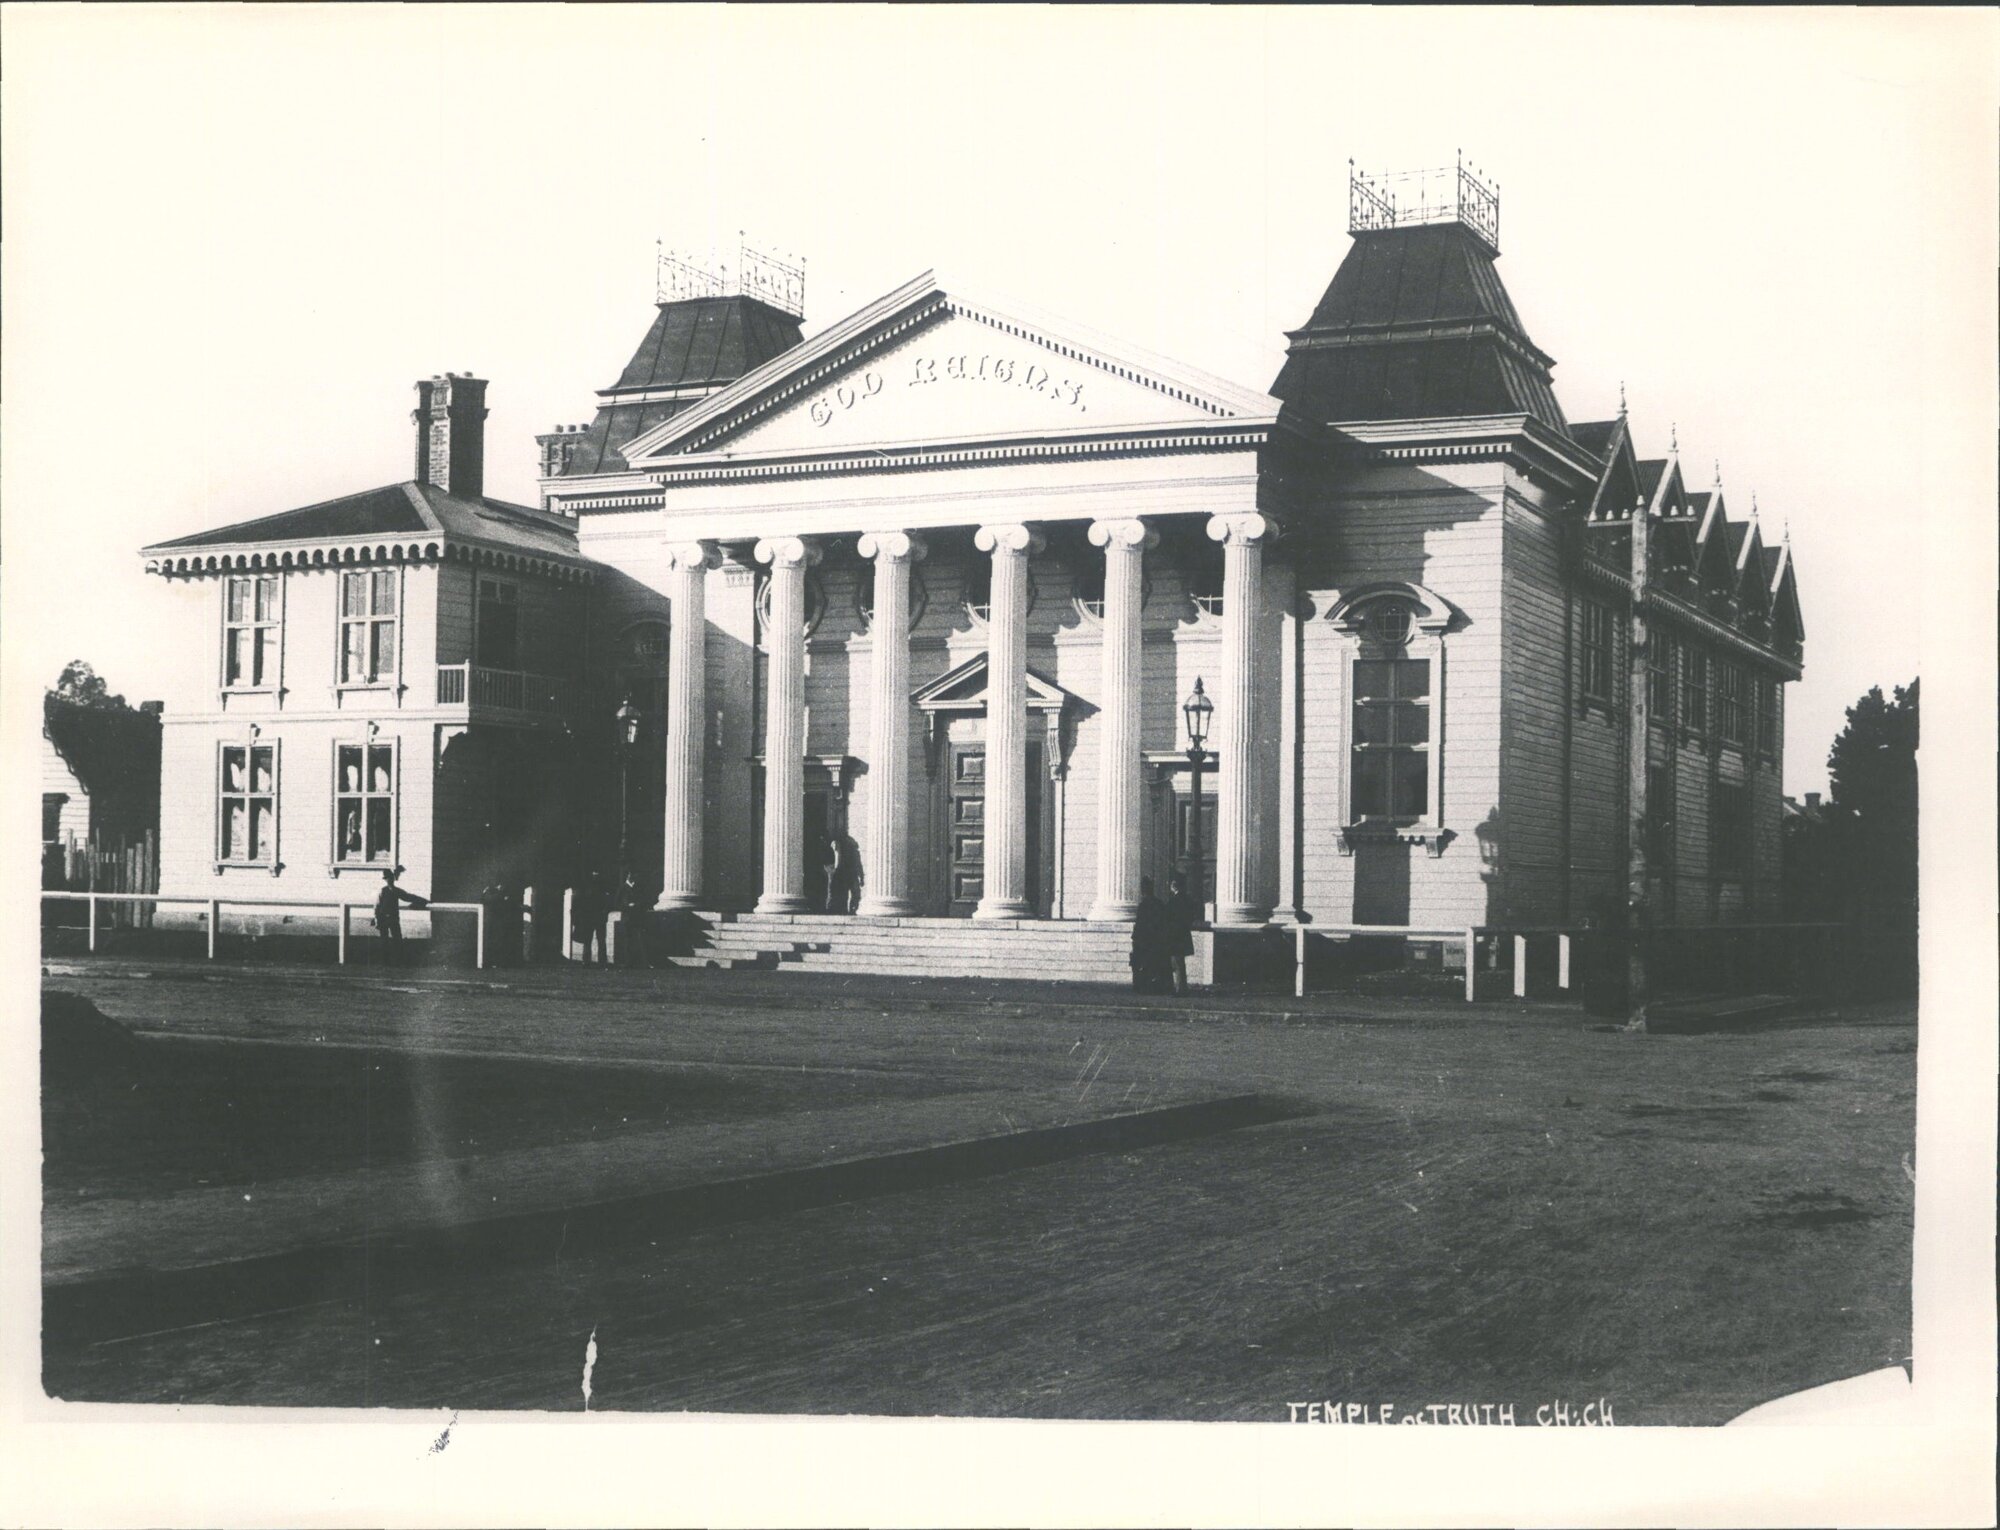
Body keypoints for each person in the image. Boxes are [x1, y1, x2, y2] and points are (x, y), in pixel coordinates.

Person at [373, 867, 428, 965]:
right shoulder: (382, 891)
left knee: (397, 939)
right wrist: (377, 919)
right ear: (385, 880)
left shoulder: (396, 891)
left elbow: (408, 897)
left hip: (393, 918)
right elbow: (377, 906)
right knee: (384, 940)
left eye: (390, 878)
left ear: (393, 878)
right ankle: (385, 962)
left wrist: (423, 900)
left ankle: (398, 960)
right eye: (387, 878)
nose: (389, 880)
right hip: (383, 918)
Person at [1130, 876, 1171, 994]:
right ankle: (1155, 986)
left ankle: (1142, 986)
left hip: (1144, 940)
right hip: (1156, 939)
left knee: (1142, 963)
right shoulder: (1159, 903)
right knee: (1154, 964)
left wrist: (1136, 939)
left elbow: (1139, 924)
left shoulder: (1143, 905)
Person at [1163, 870, 1198, 996]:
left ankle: (1180, 989)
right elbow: (1191, 916)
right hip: (1183, 934)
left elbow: (1167, 917)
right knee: (1180, 962)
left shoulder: (1174, 900)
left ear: (1174, 885)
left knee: (1176, 963)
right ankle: (1181, 987)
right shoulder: (1187, 899)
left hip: (1174, 935)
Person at [618, 870, 656, 968]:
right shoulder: (622, 888)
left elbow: (643, 900)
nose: (632, 877)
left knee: (641, 939)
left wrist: (637, 905)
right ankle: (628, 962)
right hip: (627, 918)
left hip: (637, 917)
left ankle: (644, 962)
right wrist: (627, 905)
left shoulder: (638, 887)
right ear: (627, 877)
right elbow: (617, 903)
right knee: (627, 941)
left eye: (633, 875)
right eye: (630, 875)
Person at [572, 871, 610, 964]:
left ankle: (599, 961)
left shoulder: (601, 888)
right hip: (589, 917)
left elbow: (607, 903)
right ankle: (589, 960)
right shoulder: (586, 888)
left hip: (597, 916)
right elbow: (578, 902)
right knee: (589, 939)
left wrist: (604, 913)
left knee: (598, 939)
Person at [824, 831, 862, 914]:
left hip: (847, 873)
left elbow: (858, 864)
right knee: (835, 891)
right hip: (842, 872)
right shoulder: (836, 844)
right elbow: (838, 857)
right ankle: (833, 909)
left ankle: (850, 909)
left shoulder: (854, 853)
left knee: (852, 893)